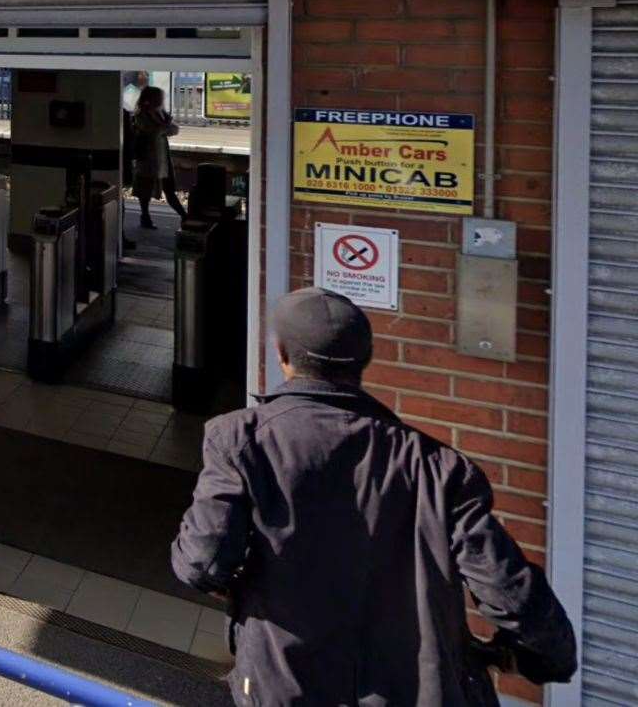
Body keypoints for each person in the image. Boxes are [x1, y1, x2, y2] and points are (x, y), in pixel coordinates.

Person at [172, 288, 576, 707]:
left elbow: (201, 563)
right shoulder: (440, 468)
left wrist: (237, 583)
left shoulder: (242, 439)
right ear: (364, 359)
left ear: (282, 355)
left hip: (286, 684)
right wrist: (533, 657)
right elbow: (508, 586)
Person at [129, 84, 185, 227]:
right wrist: (164, 127)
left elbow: (173, 129)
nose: (162, 99)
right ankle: (145, 217)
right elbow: (155, 131)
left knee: (168, 187)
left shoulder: (159, 113)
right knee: (145, 190)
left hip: (161, 156)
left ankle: (184, 215)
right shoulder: (141, 114)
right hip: (148, 158)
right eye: (160, 97)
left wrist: (163, 127)